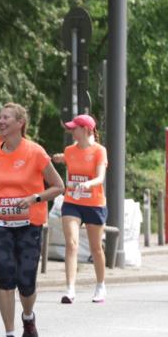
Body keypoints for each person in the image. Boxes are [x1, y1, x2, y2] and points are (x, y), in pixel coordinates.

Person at [0, 103, 65, 337]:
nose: (1, 121)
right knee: (6, 277)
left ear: (20, 123)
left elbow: (58, 186)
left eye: (6, 117)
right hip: (0, 223)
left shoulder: (36, 152)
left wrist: (34, 198)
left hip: (30, 224)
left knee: (26, 281)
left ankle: (28, 317)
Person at [51, 114, 109, 303]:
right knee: (72, 244)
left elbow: (100, 178)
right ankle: (70, 289)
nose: (71, 131)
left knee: (96, 248)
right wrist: (56, 158)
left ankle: (100, 285)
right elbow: (65, 158)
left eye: (74, 128)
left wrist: (88, 184)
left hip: (94, 203)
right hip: (72, 202)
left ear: (85, 130)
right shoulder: (69, 150)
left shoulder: (100, 151)